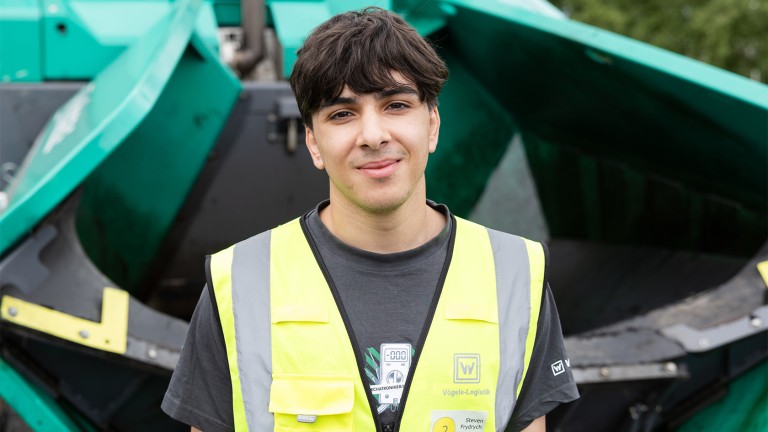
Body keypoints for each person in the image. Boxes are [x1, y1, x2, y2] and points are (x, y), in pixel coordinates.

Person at [162, 7, 578, 432]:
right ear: (313, 142)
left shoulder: (514, 275)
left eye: (395, 105)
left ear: (432, 124)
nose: (374, 135)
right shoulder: (240, 284)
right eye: (342, 114)